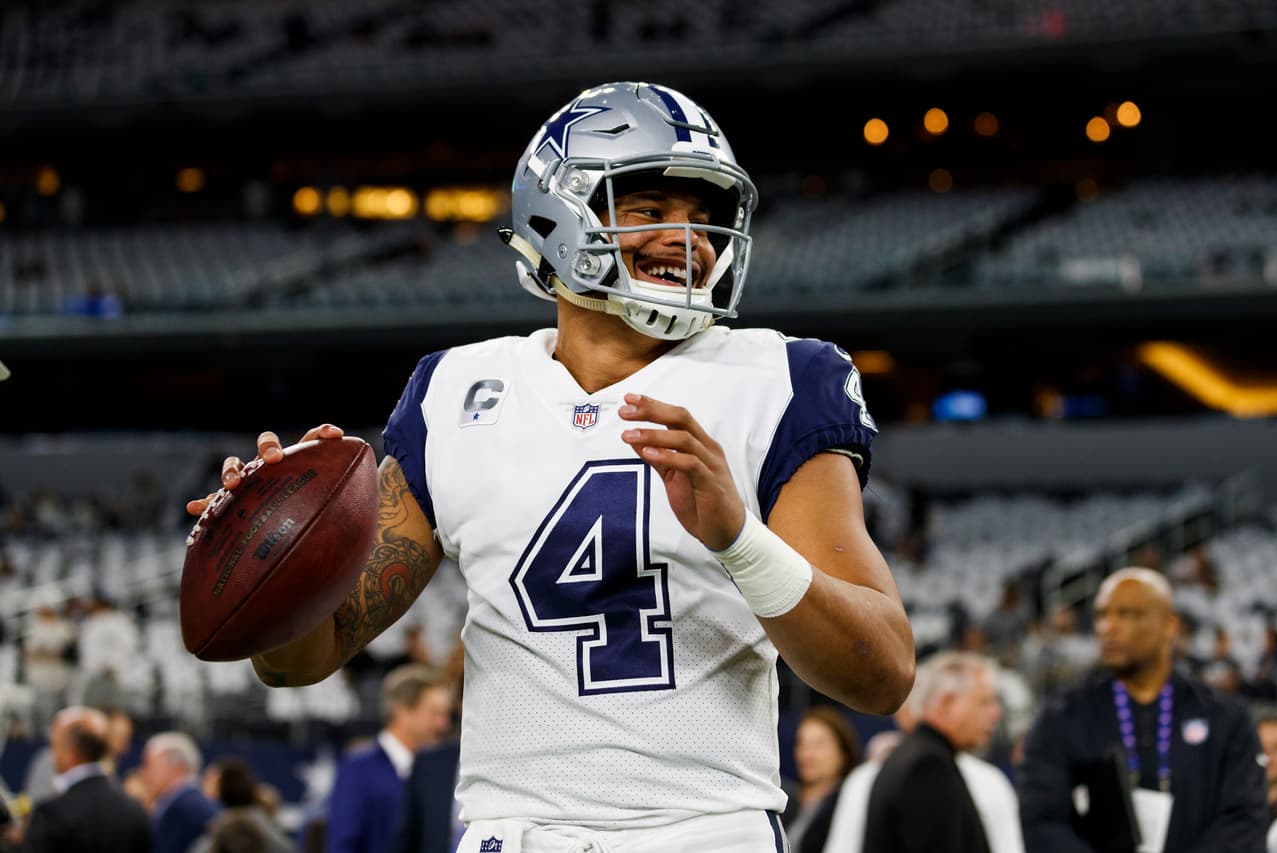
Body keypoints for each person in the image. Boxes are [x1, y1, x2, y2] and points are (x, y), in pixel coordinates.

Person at [187, 80, 915, 851]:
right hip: (513, 833)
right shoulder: (457, 390)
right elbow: (308, 655)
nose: (689, 239)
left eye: (704, 216)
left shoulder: (781, 378)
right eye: (648, 211)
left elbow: (882, 671)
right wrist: (270, 560)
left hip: (702, 831)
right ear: (558, 214)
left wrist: (739, 538)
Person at [1017, 566, 1269, 853]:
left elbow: (1244, 818)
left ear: (1169, 625)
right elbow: (1042, 821)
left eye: (1128, 614)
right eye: (1101, 615)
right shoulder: (1061, 718)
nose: (1106, 627)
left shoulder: (1226, 718)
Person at [862, 650, 1005, 853]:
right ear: (946, 703)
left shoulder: (917, 756)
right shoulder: (926, 766)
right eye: (983, 702)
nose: (995, 713)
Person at [325, 664, 456, 853]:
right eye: (435, 714)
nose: (444, 725)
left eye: (446, 715)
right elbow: (343, 843)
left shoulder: (438, 772)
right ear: (403, 712)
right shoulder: (359, 769)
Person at [20, 705, 151, 853]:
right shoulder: (134, 811)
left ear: (70, 751)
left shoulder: (51, 815)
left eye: (55, 745)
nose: (53, 753)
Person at [782, 705, 860, 853]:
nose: (807, 754)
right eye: (802, 744)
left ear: (843, 752)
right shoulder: (785, 802)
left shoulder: (849, 802)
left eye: (819, 744)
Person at [139, 731, 220, 853]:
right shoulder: (190, 803)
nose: (145, 774)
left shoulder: (184, 808)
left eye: (149, 765)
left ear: (176, 766)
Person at [190, 758, 292, 853]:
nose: (203, 786)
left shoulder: (250, 821)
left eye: (209, 780)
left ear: (225, 786)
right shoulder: (225, 819)